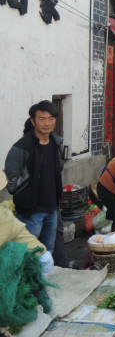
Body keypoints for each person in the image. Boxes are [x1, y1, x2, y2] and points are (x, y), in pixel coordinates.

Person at [4, 101, 63, 253]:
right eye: (42, 119)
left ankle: (43, 277)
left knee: (47, 252)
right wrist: (25, 195)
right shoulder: (22, 147)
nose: (47, 123)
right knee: (28, 253)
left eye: (51, 119)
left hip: (52, 209)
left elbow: (57, 169)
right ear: (33, 121)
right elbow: (11, 180)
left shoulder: (56, 143)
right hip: (31, 212)